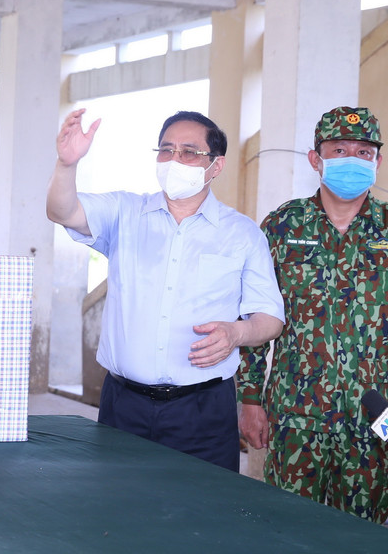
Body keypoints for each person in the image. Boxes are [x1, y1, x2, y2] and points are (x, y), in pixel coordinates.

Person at [46, 108, 284, 470]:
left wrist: (238, 332)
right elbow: (63, 211)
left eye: (189, 152)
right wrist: (66, 165)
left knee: (202, 515)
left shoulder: (242, 234)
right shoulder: (125, 213)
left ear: (215, 166)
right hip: (123, 405)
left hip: (203, 410)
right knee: (118, 512)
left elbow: (271, 318)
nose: (175, 159)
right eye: (166, 149)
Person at [238, 106, 388, 522]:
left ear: (378, 161)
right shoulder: (283, 227)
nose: (351, 159)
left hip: (374, 421)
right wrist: (250, 398)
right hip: (295, 418)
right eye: (339, 149)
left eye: (363, 151)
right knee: (286, 530)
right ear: (315, 159)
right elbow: (252, 313)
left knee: (362, 536)